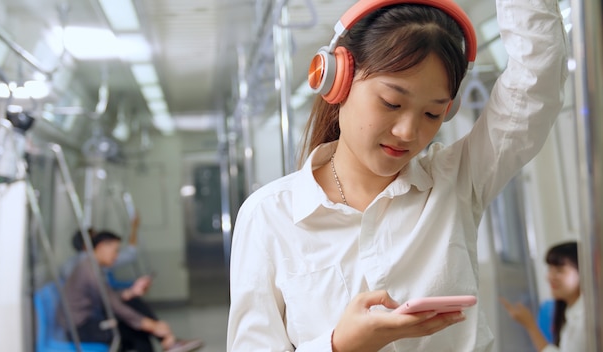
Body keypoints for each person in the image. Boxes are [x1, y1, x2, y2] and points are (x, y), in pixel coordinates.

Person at [226, 0, 568, 350]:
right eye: (391, 102)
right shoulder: (270, 216)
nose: (408, 131)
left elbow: (536, 82)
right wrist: (339, 345)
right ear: (337, 81)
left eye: (433, 114)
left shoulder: (455, 181)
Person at [58, 230, 203, 352]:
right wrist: (152, 326)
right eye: (115, 250)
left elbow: (108, 298)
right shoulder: (90, 271)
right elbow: (114, 306)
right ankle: (167, 339)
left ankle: (168, 341)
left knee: (133, 302)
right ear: (102, 247)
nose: (116, 256)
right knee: (135, 332)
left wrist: (131, 292)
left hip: (92, 320)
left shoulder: (91, 266)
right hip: (81, 329)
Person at [501, 241, 586, 352]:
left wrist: (530, 325)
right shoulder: (570, 311)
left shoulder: (584, 319)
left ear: (584, 272)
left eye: (559, 270)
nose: (550, 277)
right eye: (550, 269)